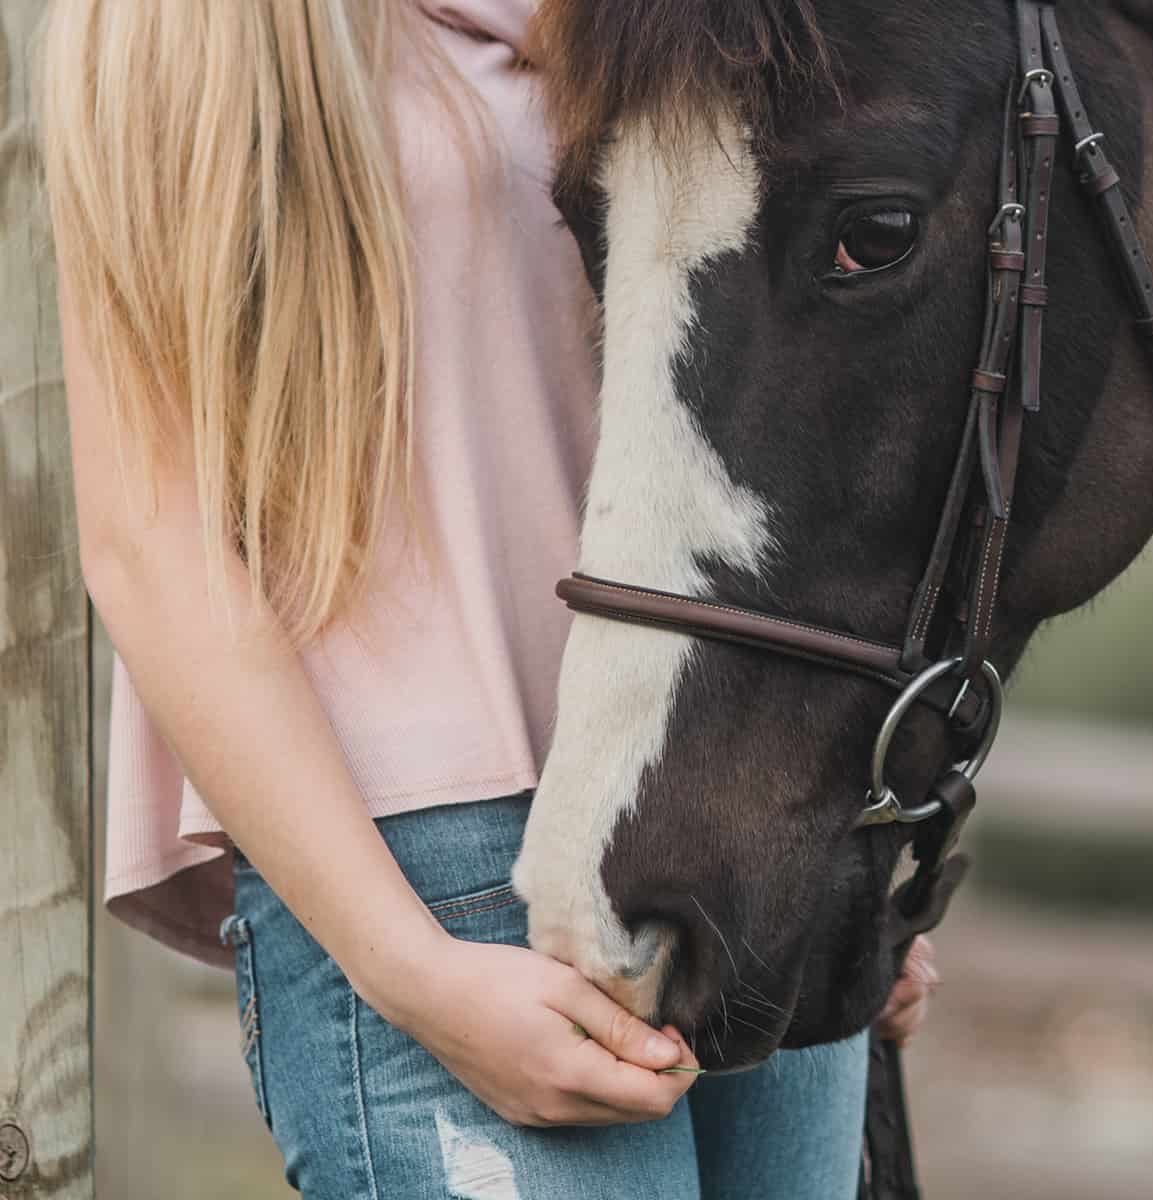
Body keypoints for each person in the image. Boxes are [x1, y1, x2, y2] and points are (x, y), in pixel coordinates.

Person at [40, 1, 938, 1197]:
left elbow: (801, 427)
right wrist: (412, 973)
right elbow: (158, 546)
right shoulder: (201, 26)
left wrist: (859, 838)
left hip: (736, 817)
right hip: (437, 874)